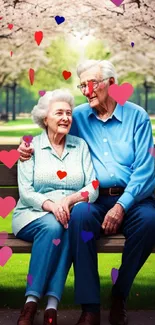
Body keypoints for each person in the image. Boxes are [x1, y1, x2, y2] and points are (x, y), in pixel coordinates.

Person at [17, 60, 155, 325]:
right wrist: (26, 149)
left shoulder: (136, 116)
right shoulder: (78, 115)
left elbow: (145, 171)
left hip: (133, 198)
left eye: (91, 84)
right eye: (82, 85)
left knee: (150, 222)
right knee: (80, 216)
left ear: (111, 85)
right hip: (95, 197)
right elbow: (50, 127)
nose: (86, 90)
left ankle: (120, 295)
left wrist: (121, 206)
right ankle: (90, 308)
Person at [13, 88, 99, 325]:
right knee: (54, 226)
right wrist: (51, 205)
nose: (65, 118)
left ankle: (49, 306)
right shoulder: (30, 147)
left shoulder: (80, 147)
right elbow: (26, 192)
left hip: (68, 215)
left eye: (69, 113)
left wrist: (69, 201)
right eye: (59, 112)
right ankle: (34, 302)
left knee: (65, 227)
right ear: (45, 118)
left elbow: (92, 187)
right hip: (33, 214)